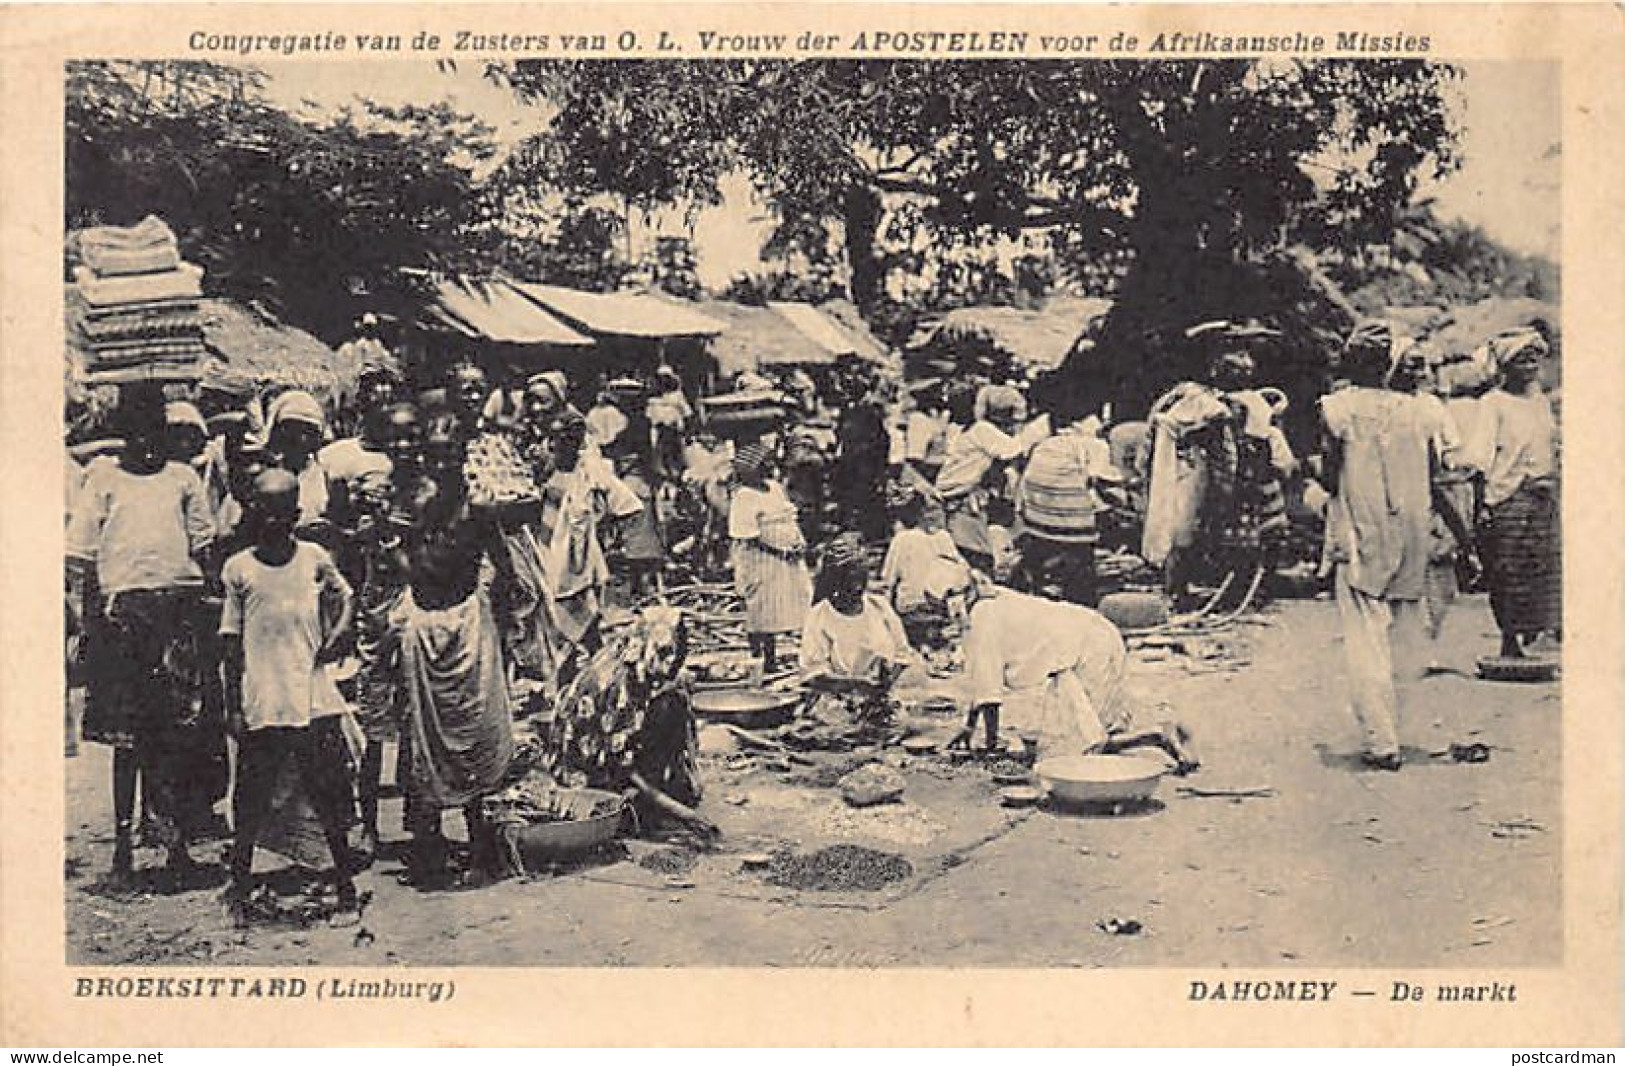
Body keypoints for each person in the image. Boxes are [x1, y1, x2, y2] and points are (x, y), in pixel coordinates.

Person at [66, 386, 221, 881]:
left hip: (177, 613)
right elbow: (83, 560)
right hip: (123, 617)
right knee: (127, 740)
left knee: (175, 736)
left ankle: (174, 846)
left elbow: (204, 548)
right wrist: (90, 627)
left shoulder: (182, 479)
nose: (148, 444)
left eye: (156, 433)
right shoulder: (104, 480)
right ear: (121, 437)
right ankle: (122, 848)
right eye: (137, 434)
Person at [219, 469, 359, 916]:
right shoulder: (239, 568)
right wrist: (233, 707)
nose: (274, 524)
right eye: (265, 514)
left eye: (283, 515)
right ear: (252, 515)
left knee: (326, 790)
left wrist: (336, 636)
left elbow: (346, 594)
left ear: (295, 514)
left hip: (310, 694)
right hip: (263, 694)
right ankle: (239, 881)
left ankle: (344, 882)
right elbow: (230, 644)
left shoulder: (314, 557)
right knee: (252, 794)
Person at [390, 411, 516, 884]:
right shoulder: (412, 499)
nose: (441, 463)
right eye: (434, 454)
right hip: (424, 624)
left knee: (475, 734)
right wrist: (411, 568)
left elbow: (505, 567)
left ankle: (483, 849)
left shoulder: (478, 508)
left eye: (450, 454)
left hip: (468, 626)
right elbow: (395, 550)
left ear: (462, 458)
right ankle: (427, 852)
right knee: (423, 739)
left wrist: (500, 623)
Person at [1319, 322, 1437, 771]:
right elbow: (1431, 470)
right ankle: (1399, 732)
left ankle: (1382, 741)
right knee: (1401, 634)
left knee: (1364, 638)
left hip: (1360, 530)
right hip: (1409, 530)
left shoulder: (1336, 409)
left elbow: (1330, 477)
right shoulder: (1419, 410)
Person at [954, 574, 1198, 769]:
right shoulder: (992, 596)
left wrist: (990, 747)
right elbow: (984, 680)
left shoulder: (981, 619)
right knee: (1091, 731)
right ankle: (1156, 735)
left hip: (1091, 647)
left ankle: (1158, 736)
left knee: (1085, 745)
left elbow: (989, 693)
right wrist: (969, 729)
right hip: (1095, 634)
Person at [1460, 329, 1561, 658]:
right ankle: (1510, 640)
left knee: (1541, 567)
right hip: (1507, 497)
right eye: (1522, 358)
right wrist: (1481, 508)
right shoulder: (1493, 404)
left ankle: (1533, 633)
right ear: (1506, 365)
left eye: (1535, 357)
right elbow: (1479, 458)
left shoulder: (1541, 402)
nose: (1531, 364)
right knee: (1507, 570)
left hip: (1543, 496)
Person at [532, 415, 644, 681]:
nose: (558, 444)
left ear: (578, 442)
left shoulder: (592, 471)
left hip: (577, 562)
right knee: (557, 627)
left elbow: (629, 505)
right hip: (546, 553)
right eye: (555, 438)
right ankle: (567, 689)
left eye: (566, 439)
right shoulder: (546, 469)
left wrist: (608, 534)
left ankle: (605, 681)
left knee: (583, 623)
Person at [1015, 379, 1117, 606]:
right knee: (1081, 555)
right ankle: (1081, 596)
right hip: (1070, 516)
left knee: (1040, 548)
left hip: (1036, 511)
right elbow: (1101, 477)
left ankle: (1027, 582)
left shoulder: (1048, 441)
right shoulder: (1094, 445)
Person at [728, 441, 811, 674]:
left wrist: (798, 542)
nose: (769, 467)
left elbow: (788, 517)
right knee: (761, 608)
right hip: (760, 558)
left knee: (789, 602)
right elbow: (749, 536)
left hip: (787, 556)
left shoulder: (774, 487)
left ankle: (777, 656)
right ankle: (760, 658)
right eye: (763, 463)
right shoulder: (744, 496)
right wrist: (779, 552)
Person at [935, 384, 1030, 574]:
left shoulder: (960, 431)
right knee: (977, 553)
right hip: (961, 496)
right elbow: (1015, 449)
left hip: (951, 494)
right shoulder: (982, 430)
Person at [879, 488, 973, 650]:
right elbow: (888, 582)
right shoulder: (909, 539)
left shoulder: (939, 538)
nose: (935, 515)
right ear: (922, 513)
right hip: (923, 612)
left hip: (933, 611)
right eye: (931, 509)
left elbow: (887, 581)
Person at [264, 390, 334, 543]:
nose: (301, 438)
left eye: (309, 432)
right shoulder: (263, 472)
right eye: (293, 430)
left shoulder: (326, 473)